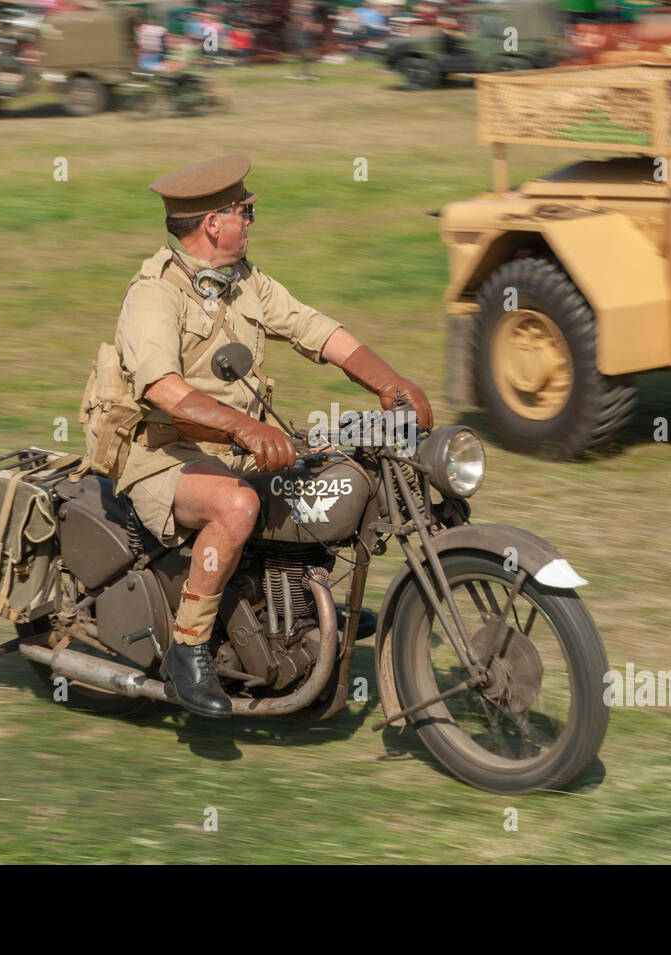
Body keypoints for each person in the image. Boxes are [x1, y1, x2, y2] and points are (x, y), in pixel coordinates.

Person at [112, 155, 432, 717]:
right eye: (246, 211)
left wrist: (389, 381)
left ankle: (299, 610)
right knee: (236, 506)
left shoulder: (243, 282)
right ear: (214, 222)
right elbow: (161, 390)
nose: (252, 220)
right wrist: (244, 426)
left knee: (334, 471)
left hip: (234, 443)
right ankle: (188, 651)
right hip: (162, 454)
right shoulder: (154, 293)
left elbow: (311, 327)